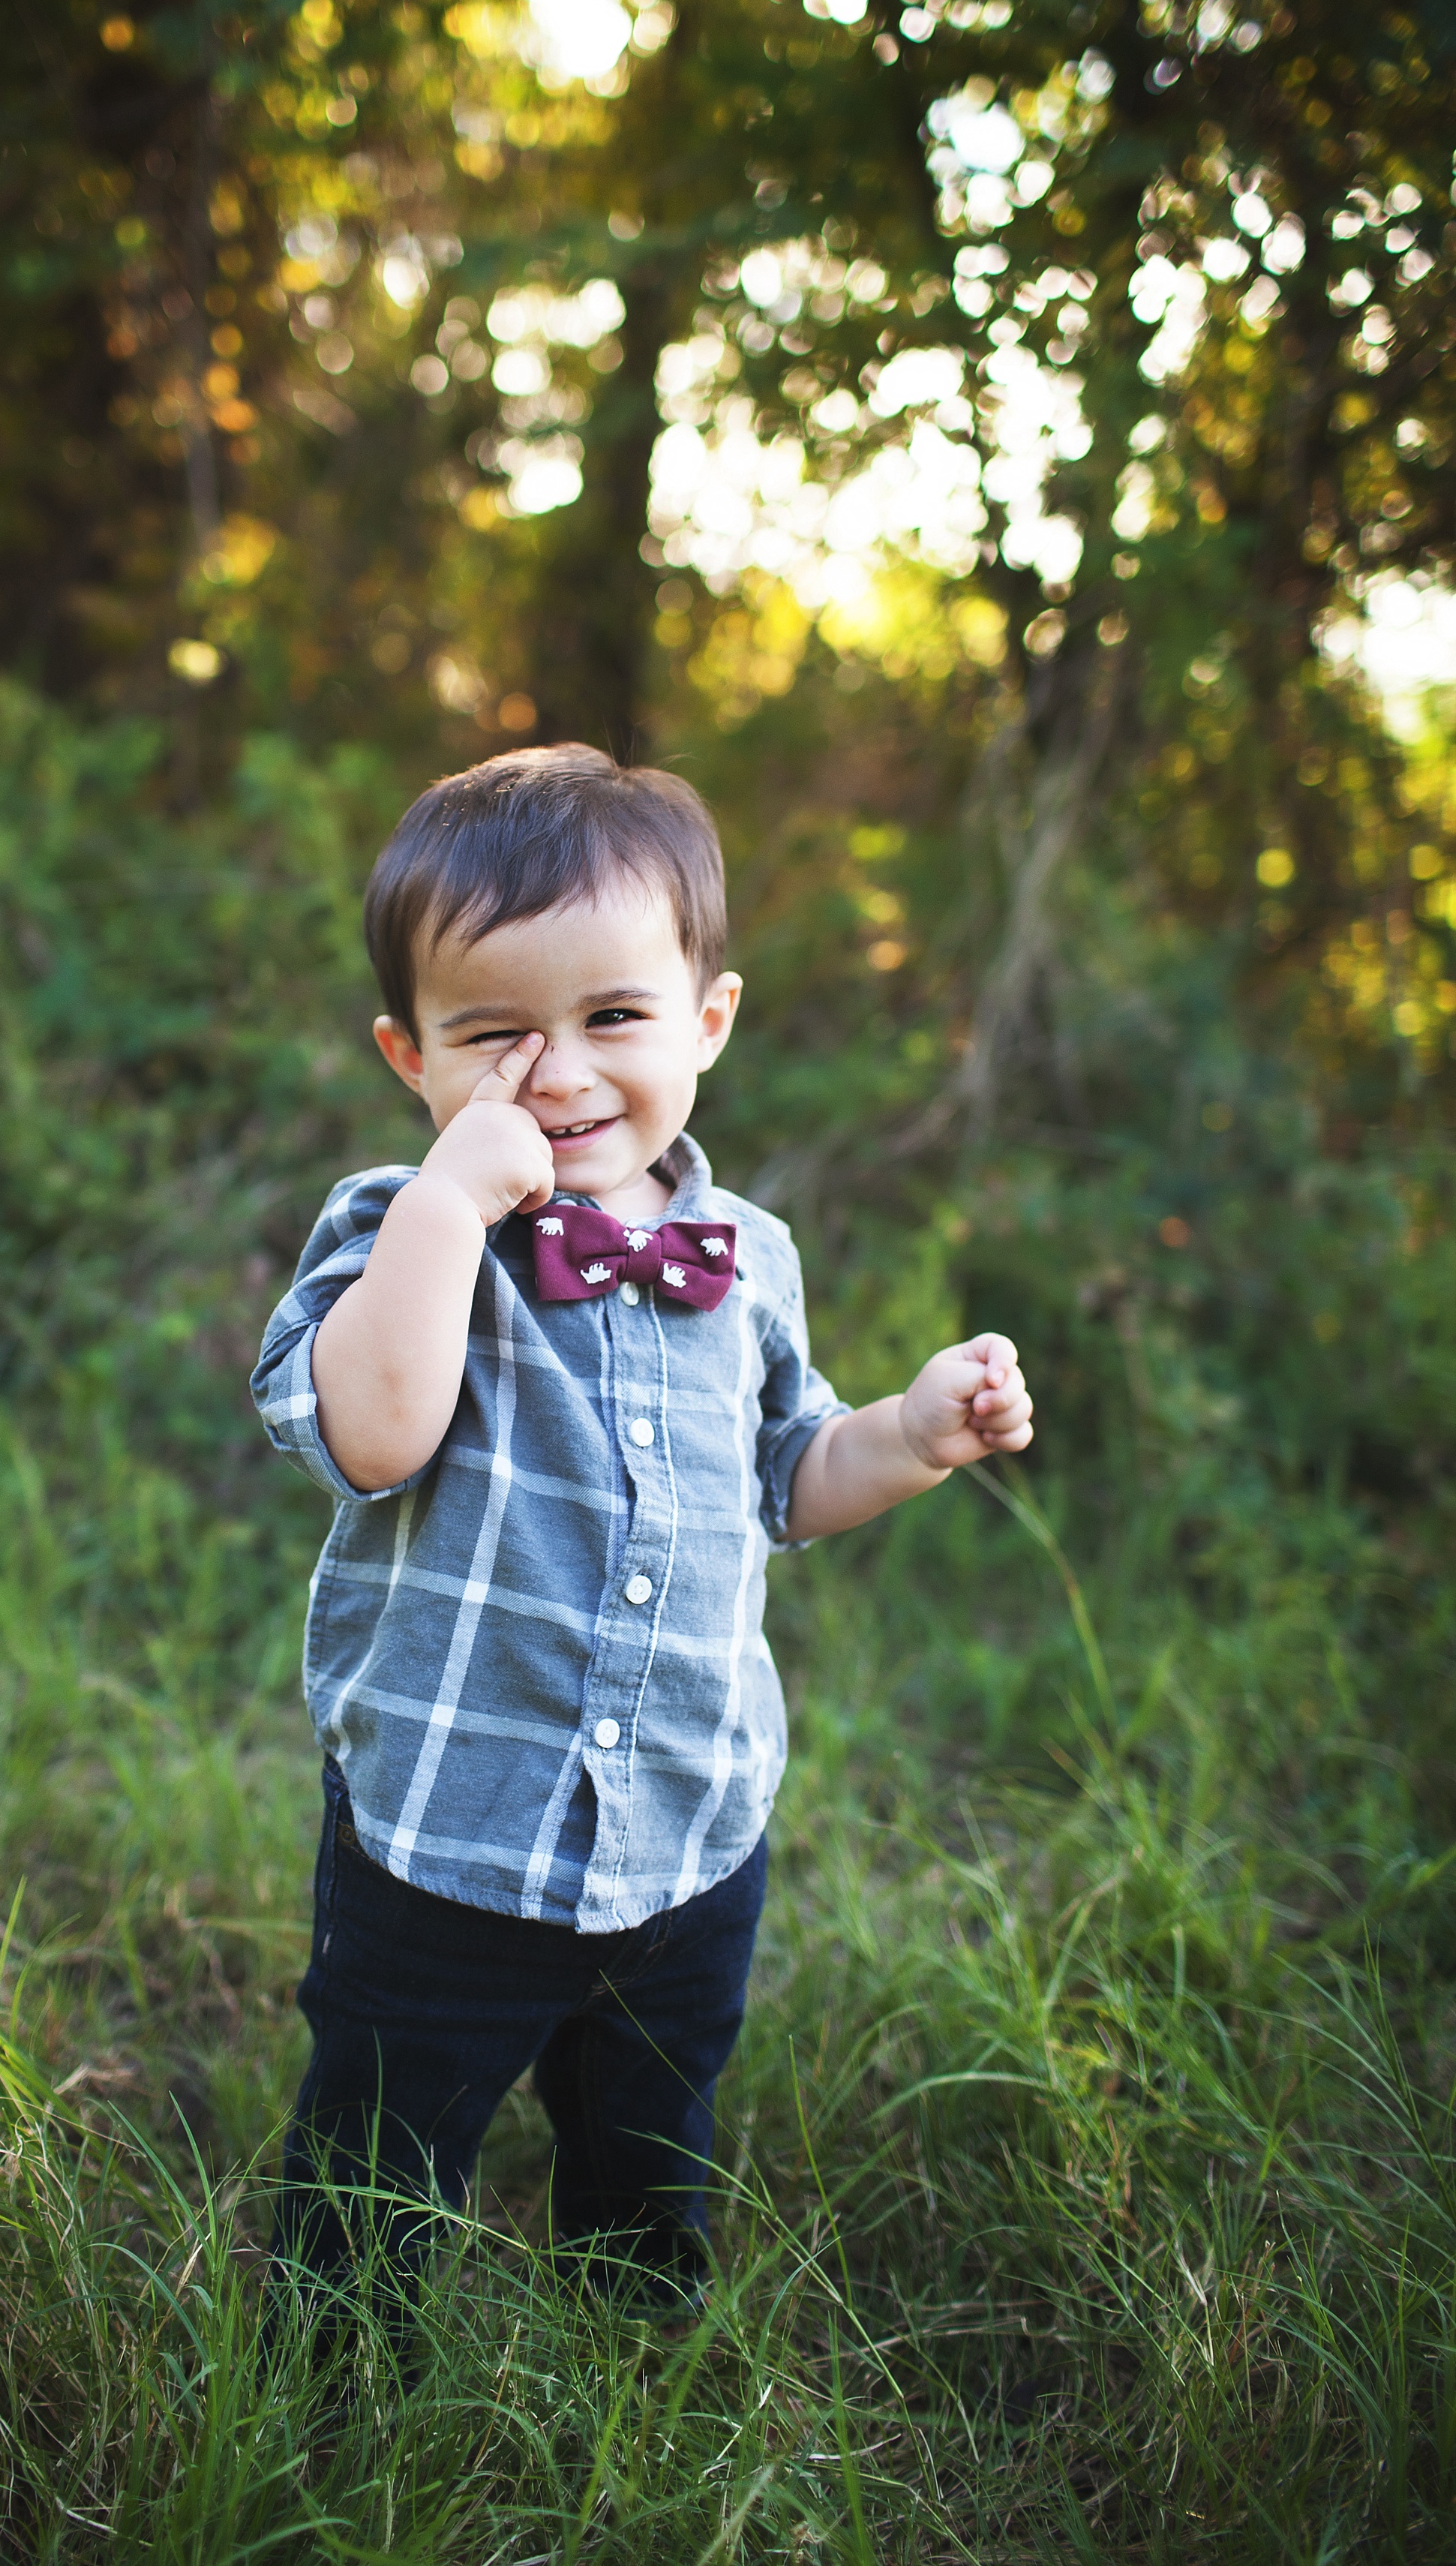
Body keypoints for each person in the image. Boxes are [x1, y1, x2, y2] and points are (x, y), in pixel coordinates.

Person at [250, 741, 1032, 2323]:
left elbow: (787, 1474)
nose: (559, 1071)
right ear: (411, 1054)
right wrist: (449, 1210)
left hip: (687, 1824)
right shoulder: (391, 1225)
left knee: (649, 2143)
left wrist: (912, 1432)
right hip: (451, 1830)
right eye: (494, 1033)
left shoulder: (747, 1253)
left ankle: (634, 2357)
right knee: (384, 2147)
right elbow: (370, 1433)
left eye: (613, 1016)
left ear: (707, 1023)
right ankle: (331, 2379)